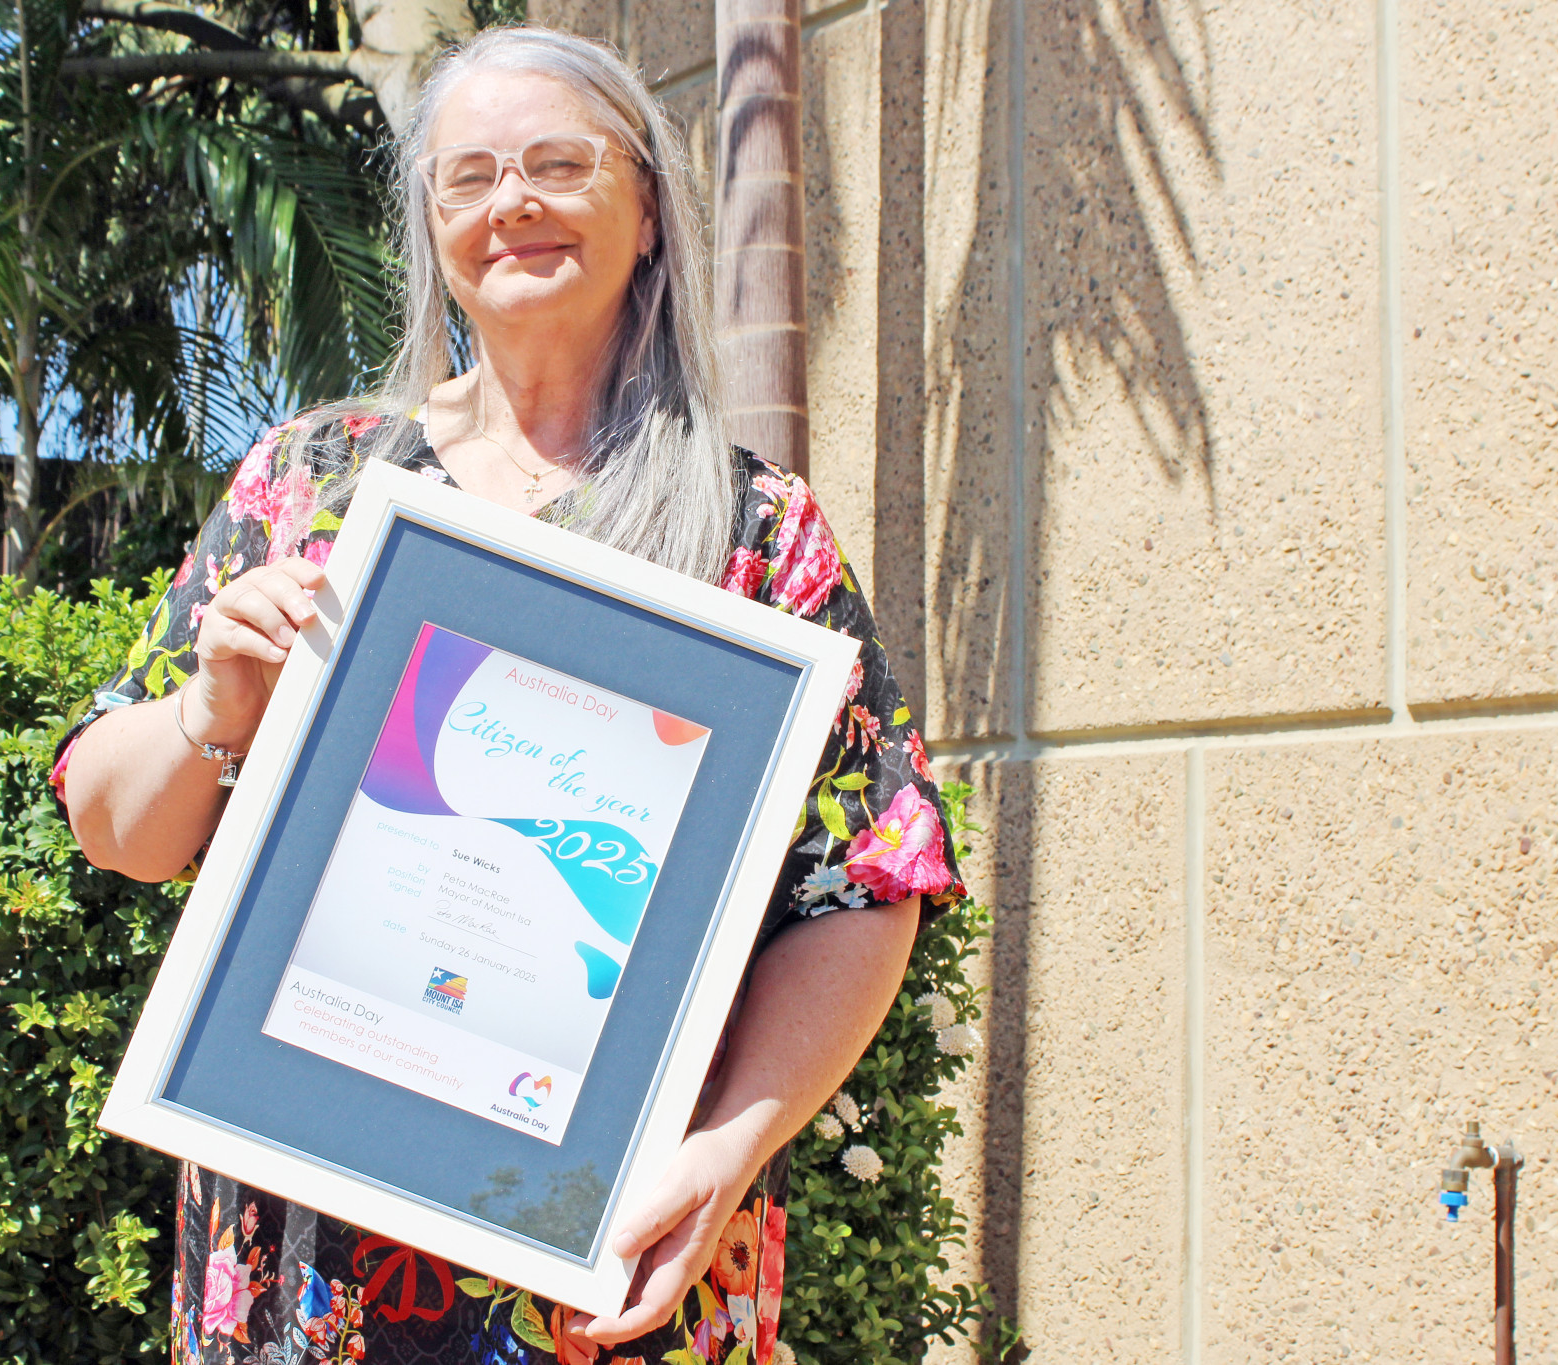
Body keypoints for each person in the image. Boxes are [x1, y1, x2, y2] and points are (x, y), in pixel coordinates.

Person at [52, 25, 966, 1365]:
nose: (513, 205)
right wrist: (209, 716)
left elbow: (867, 883)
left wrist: (726, 1150)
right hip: (311, 1253)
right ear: (431, 226)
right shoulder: (314, 482)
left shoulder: (756, 534)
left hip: (610, 1257)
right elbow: (116, 826)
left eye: (558, 164)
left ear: (647, 206)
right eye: (469, 178)